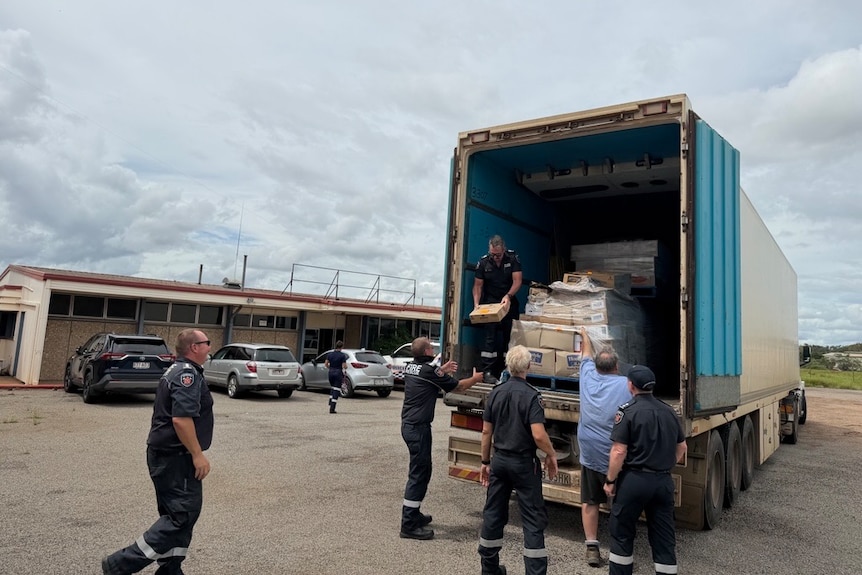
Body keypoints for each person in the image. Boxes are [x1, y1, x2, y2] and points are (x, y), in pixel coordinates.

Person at [102, 329, 214, 575]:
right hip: (176, 457)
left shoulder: (181, 370)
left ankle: (170, 569)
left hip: (168, 455)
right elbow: (181, 420)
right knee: (181, 517)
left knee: (175, 514)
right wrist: (197, 454)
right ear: (194, 347)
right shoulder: (186, 374)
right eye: (206, 343)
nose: (209, 347)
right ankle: (119, 564)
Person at [478, 345, 558, 575]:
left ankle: (489, 568)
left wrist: (485, 462)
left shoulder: (495, 392)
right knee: (533, 519)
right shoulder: (532, 396)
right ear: (529, 367)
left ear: (507, 367)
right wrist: (551, 454)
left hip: (500, 461)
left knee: (493, 514)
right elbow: (539, 435)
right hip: (523, 464)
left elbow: (486, 433)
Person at [603, 365, 687, 575]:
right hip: (662, 481)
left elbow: (618, 451)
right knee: (664, 538)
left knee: (622, 534)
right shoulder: (669, 411)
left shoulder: (627, 412)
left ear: (630, 385)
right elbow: (682, 447)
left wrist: (611, 480)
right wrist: (664, 466)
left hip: (634, 480)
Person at [400, 336, 483, 540]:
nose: (432, 348)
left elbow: (429, 375)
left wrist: (442, 370)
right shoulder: (430, 371)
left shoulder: (412, 367)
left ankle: (414, 513)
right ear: (428, 352)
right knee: (419, 474)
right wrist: (476, 379)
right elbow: (459, 387)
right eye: (431, 346)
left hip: (411, 426)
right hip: (417, 428)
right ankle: (408, 524)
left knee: (422, 470)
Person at [576, 327, 633, 567]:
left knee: (590, 501)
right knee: (619, 502)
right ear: (617, 367)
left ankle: (591, 546)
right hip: (614, 457)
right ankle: (620, 547)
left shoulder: (587, 377)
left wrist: (584, 336)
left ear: (597, 366)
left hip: (589, 453)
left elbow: (585, 355)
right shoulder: (625, 386)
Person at [473, 234, 523, 381]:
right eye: (493, 254)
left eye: (498, 255)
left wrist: (508, 296)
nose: (496, 257)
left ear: (504, 250)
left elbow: (517, 281)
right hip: (491, 304)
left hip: (508, 301)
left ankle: (508, 369)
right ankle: (487, 371)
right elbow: (477, 285)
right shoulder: (483, 263)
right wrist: (476, 304)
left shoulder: (512, 259)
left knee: (510, 337)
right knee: (490, 338)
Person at [324, 340, 348, 414]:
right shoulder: (342, 355)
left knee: (333, 387)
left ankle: (330, 402)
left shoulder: (330, 354)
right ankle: (332, 408)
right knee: (337, 390)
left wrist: (330, 368)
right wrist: (346, 367)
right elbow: (344, 366)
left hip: (331, 372)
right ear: (342, 347)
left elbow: (326, 364)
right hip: (338, 372)